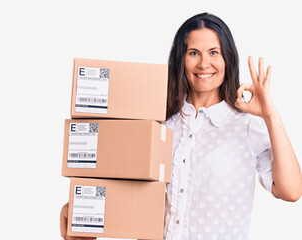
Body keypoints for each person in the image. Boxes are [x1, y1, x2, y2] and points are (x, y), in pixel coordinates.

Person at [60, 12, 302, 240]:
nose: (204, 63)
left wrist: (271, 117)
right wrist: (80, 208)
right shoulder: (158, 127)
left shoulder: (247, 127)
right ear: (181, 59)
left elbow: (290, 192)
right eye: (193, 53)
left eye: (214, 52)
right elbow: (120, 186)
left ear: (228, 58)